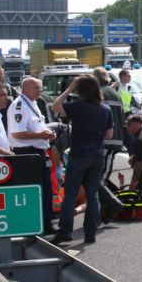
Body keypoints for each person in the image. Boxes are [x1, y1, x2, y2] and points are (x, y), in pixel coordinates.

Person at [50, 75, 113, 245]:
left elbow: (55, 106)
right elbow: (109, 135)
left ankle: (65, 232)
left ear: (80, 90)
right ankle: (90, 232)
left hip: (78, 155)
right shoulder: (106, 109)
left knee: (70, 195)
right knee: (92, 194)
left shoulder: (77, 106)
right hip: (97, 155)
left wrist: (70, 88)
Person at [8, 77, 57, 235]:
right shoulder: (19, 105)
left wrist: (48, 133)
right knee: (33, 191)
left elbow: (37, 127)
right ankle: (34, 225)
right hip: (27, 153)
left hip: (38, 151)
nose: (40, 91)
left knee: (46, 189)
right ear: (25, 88)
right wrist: (41, 135)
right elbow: (17, 133)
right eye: (36, 88)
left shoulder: (33, 103)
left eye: (40, 88)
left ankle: (46, 223)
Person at [115, 68, 134, 153]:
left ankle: (131, 151)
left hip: (127, 113)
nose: (130, 78)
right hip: (120, 113)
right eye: (128, 76)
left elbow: (129, 101)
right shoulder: (117, 85)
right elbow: (108, 91)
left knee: (129, 134)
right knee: (126, 135)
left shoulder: (128, 87)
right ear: (122, 77)